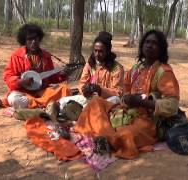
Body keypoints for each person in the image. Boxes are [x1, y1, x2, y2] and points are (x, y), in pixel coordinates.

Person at [74, 30, 180, 159]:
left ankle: (107, 137)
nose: (149, 45)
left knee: (125, 134)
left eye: (154, 43)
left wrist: (141, 102)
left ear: (161, 48)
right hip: (125, 111)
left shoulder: (164, 72)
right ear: (142, 45)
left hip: (146, 120)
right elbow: (123, 93)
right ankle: (107, 136)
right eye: (147, 42)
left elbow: (172, 105)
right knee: (95, 104)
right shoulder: (136, 68)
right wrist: (126, 99)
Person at [3, 24, 71, 109]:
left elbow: (53, 78)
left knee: (65, 89)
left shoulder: (46, 56)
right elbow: (8, 76)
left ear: (39, 39)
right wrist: (20, 81)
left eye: (36, 38)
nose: (33, 41)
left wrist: (63, 75)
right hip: (24, 92)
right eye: (30, 39)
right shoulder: (16, 56)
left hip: (43, 91)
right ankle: (45, 104)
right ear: (24, 41)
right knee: (13, 99)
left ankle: (37, 104)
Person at [78, 31, 124, 101]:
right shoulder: (89, 64)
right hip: (90, 98)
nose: (97, 54)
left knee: (115, 99)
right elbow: (82, 83)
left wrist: (100, 90)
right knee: (64, 101)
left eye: (100, 51)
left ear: (108, 51)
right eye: (95, 51)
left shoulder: (117, 68)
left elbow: (118, 92)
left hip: (107, 101)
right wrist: (84, 90)